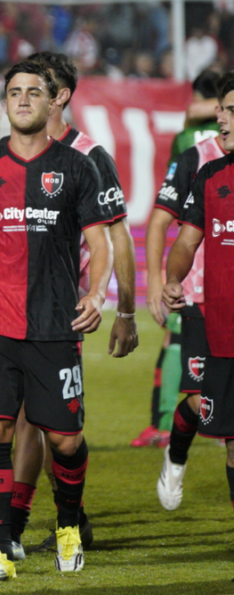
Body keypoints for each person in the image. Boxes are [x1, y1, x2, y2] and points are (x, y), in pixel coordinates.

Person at [0, 59, 114, 583]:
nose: (24, 99)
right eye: (15, 92)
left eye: (35, 91)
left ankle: (66, 526)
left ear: (52, 100)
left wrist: (99, 293)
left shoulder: (79, 168)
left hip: (56, 327)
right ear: (6, 102)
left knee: (64, 441)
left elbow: (98, 243)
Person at [152, 80, 229, 512]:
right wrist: (164, 281)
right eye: (222, 108)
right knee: (202, 400)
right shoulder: (197, 161)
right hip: (202, 299)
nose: (222, 118)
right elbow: (169, 227)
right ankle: (176, 455)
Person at [135, 69, 222, 449]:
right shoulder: (201, 148)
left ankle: (166, 422)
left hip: (196, 273)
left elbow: (159, 222)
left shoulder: (188, 139)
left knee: (177, 343)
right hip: (200, 270)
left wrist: (157, 280)